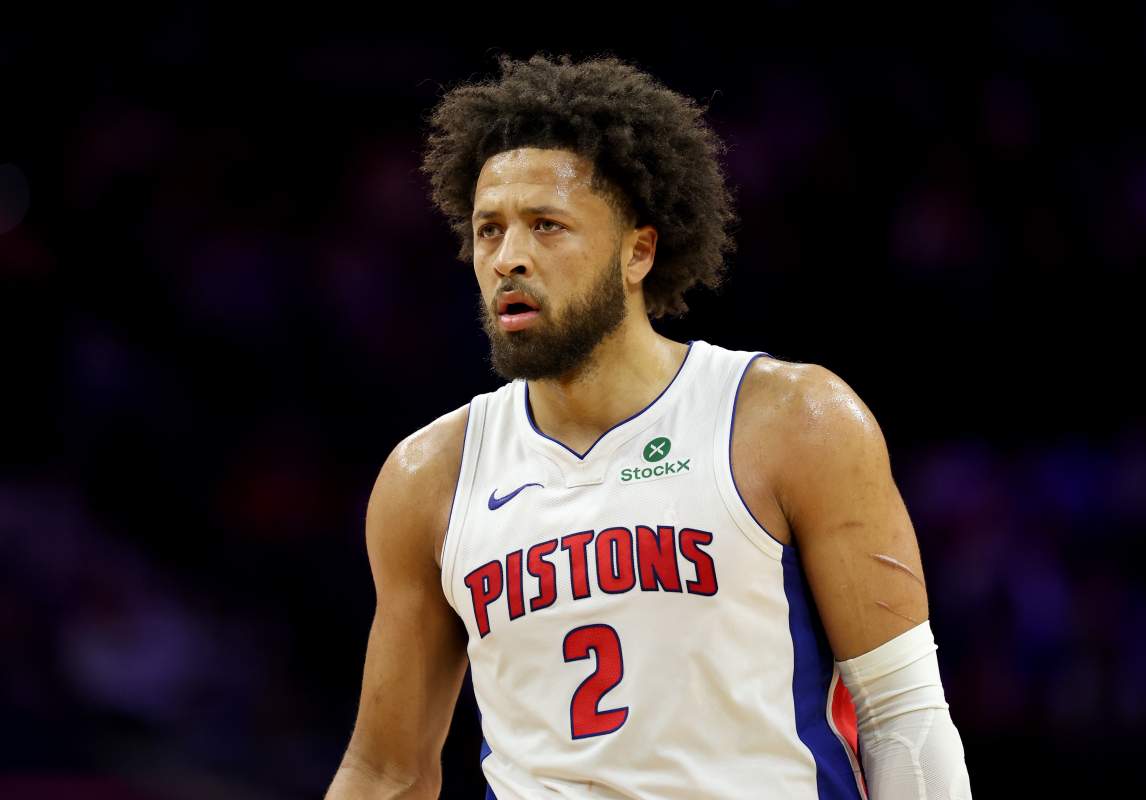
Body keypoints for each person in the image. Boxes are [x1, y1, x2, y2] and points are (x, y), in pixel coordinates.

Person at [324, 52, 973, 800]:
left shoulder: (792, 421)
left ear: (638, 251)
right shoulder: (429, 477)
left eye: (546, 226)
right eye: (490, 231)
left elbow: (902, 715)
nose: (509, 259)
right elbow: (387, 771)